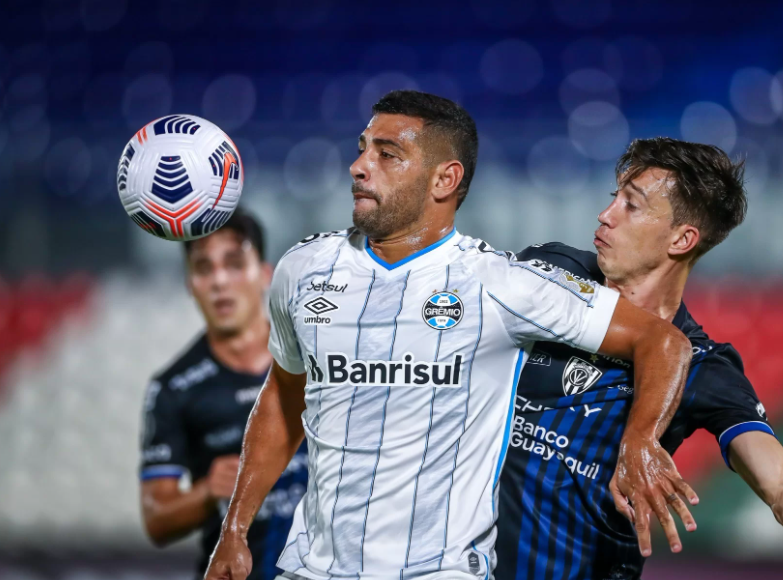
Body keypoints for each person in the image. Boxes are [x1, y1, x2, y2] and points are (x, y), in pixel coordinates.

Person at [203, 90, 698, 580]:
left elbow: (663, 342)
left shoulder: (501, 284)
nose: (358, 166)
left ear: (445, 179)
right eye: (362, 147)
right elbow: (285, 396)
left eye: (387, 154)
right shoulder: (303, 269)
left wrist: (641, 440)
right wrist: (235, 528)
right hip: (310, 570)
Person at [496, 137, 783, 579]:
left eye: (631, 205)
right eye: (615, 198)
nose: (605, 215)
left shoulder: (703, 366)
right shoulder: (550, 271)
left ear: (682, 239)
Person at [139, 212, 309, 580]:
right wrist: (205, 493)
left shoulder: (318, 360)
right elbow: (156, 521)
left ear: (265, 274)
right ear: (190, 283)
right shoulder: (173, 387)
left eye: (234, 264)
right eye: (204, 268)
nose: (219, 281)